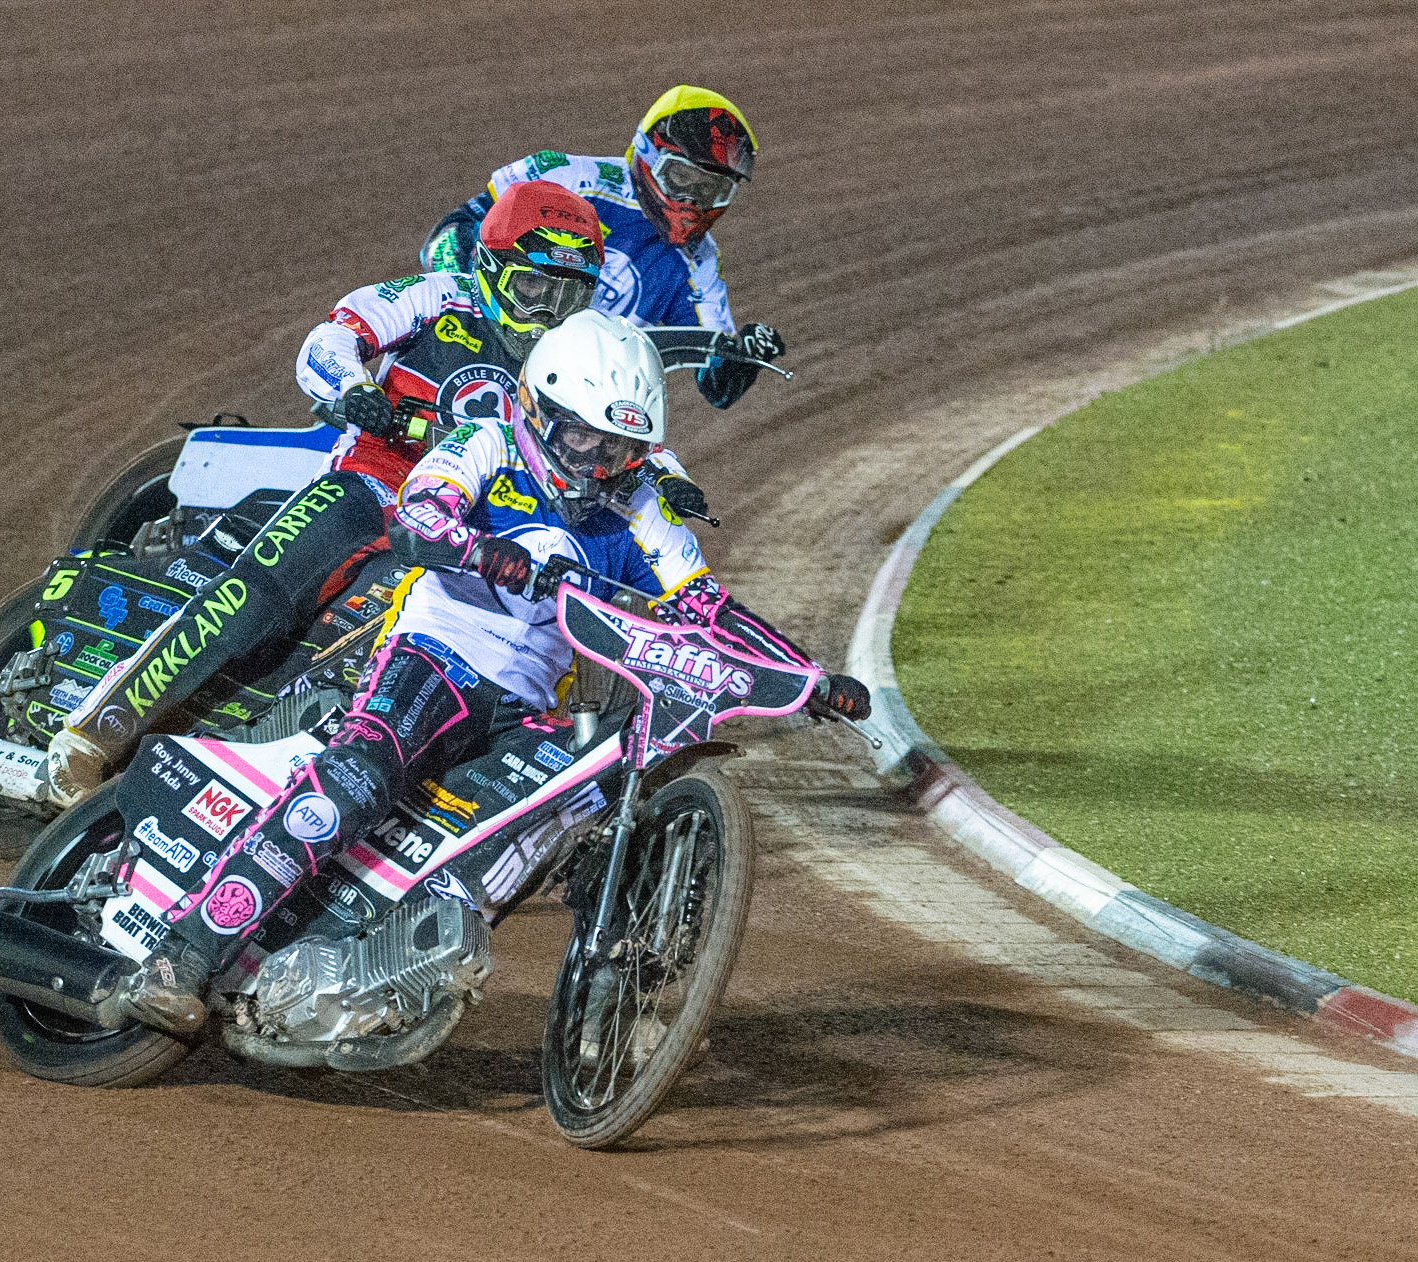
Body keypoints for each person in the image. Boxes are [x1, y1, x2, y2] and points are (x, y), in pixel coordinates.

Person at [117, 311, 870, 1035]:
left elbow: (704, 607)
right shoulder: (486, 441)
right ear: (539, 410)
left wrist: (808, 675)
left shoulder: (638, 501)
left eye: (615, 451)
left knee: (554, 818)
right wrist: (478, 549)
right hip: (435, 652)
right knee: (355, 779)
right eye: (581, 437)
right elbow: (419, 516)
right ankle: (181, 958)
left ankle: (382, 964)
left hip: (527, 702)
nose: (594, 464)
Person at [43, 180, 631, 806]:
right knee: (258, 596)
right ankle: (91, 734)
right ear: (491, 267)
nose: (549, 311)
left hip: (480, 535)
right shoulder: (440, 297)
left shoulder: (583, 352)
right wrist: (354, 389)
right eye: (535, 287)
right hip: (376, 490)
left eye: (570, 293)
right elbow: (335, 335)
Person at [420, 85, 786, 439]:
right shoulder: (566, 178)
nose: (691, 200)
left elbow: (718, 387)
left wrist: (745, 355)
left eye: (710, 189)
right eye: (681, 178)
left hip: (570, 418)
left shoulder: (701, 263)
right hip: (478, 356)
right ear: (649, 155)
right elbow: (448, 237)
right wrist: (474, 308)